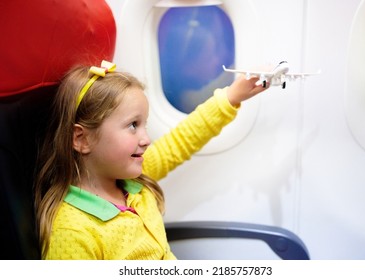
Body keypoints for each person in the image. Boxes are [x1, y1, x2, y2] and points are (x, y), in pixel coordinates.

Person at [34, 60, 269, 260]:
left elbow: (182, 140)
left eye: (143, 124)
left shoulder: (135, 182)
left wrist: (231, 96)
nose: (146, 139)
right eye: (132, 125)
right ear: (82, 139)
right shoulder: (72, 230)